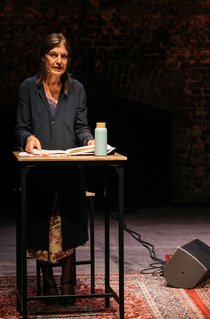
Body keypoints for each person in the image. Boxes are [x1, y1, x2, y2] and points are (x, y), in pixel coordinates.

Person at [15, 33, 95, 304]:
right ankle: (48, 278)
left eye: (63, 56)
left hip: (69, 167)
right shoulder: (29, 88)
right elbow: (22, 127)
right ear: (44, 57)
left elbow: (81, 126)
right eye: (54, 55)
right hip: (39, 167)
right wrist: (28, 138)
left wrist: (89, 140)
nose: (59, 61)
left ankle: (68, 278)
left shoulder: (77, 89)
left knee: (69, 218)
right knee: (43, 221)